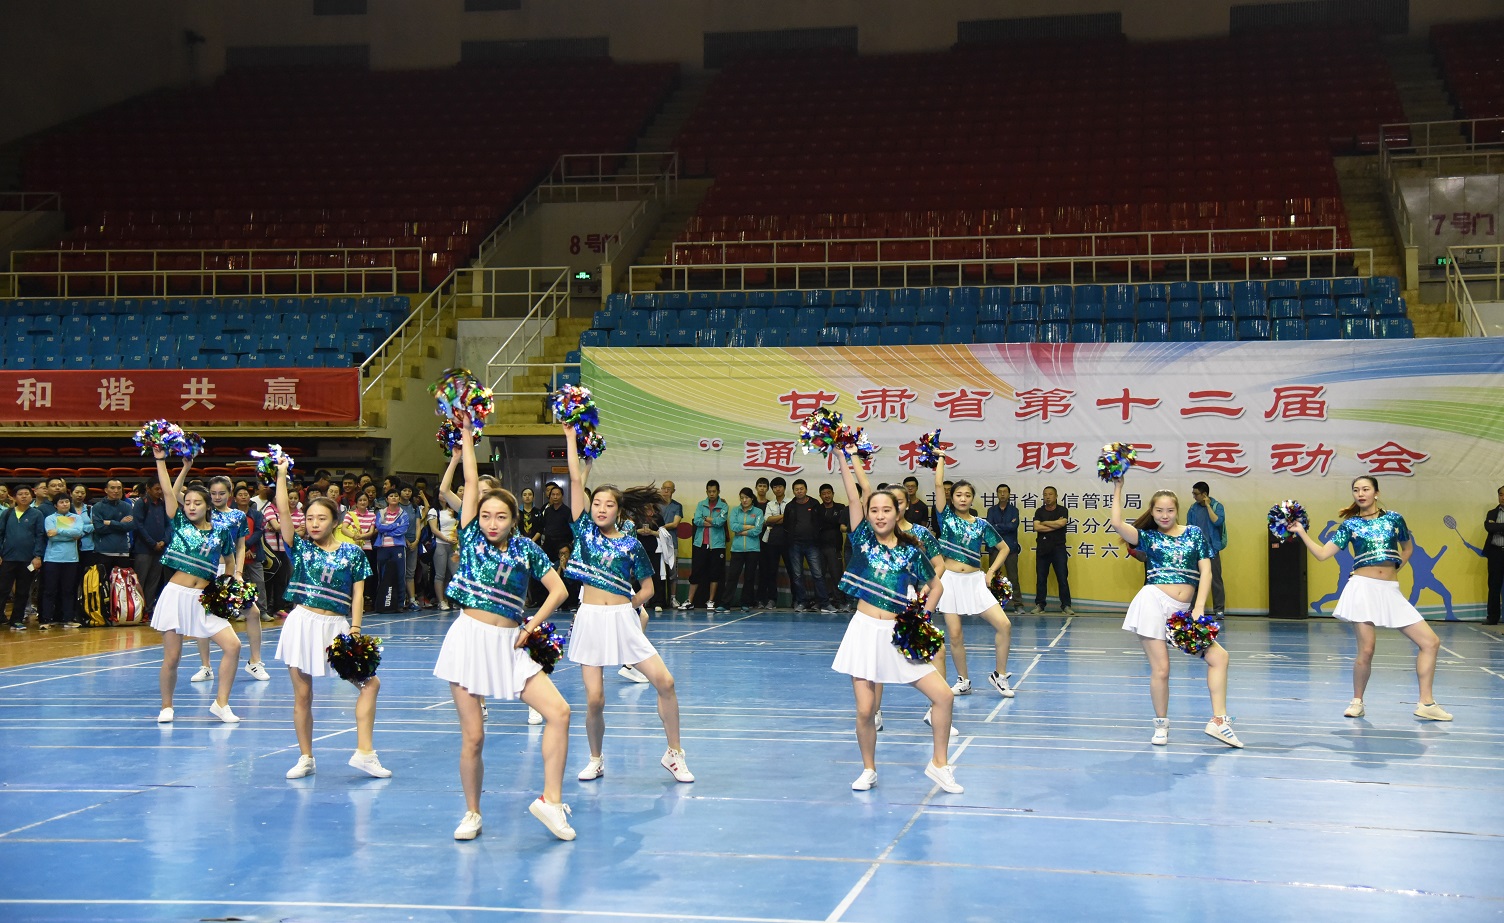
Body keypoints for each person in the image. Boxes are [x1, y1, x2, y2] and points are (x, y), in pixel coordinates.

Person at [435, 422, 574, 841]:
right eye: (486, 515)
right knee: (474, 738)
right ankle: (472, 813)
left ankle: (551, 802)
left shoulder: (526, 549)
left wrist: (531, 624)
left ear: (514, 519)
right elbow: (471, 478)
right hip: (468, 641)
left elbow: (560, 590)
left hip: (511, 644)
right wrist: (466, 436)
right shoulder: (471, 537)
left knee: (560, 712)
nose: (492, 523)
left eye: (501, 517)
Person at [562, 422, 694, 784]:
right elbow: (574, 480)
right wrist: (571, 437)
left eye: (608, 504)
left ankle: (674, 754)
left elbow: (648, 588)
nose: (601, 508)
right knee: (595, 699)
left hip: (623, 619)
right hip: (590, 620)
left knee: (666, 682)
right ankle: (595, 758)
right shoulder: (584, 533)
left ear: (619, 511)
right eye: (596, 503)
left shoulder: (631, 544)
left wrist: (627, 607)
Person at [830, 449, 961, 793]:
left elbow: (936, 586)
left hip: (898, 633)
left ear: (898, 511)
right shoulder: (861, 539)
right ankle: (868, 769)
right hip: (863, 632)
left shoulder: (911, 550)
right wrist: (842, 455)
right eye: (873, 510)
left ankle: (939, 764)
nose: (879, 515)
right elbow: (853, 494)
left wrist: (920, 620)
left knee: (944, 696)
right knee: (866, 710)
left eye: (886, 509)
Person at [1290, 476, 1451, 721]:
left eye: (1365, 489)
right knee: (1366, 650)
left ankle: (1426, 703)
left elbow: (1407, 548)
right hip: (1362, 588)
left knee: (1430, 642)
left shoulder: (1394, 519)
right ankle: (1357, 702)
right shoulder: (1350, 525)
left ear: (1376, 492)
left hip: (1390, 590)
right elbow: (1322, 554)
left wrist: (1395, 568)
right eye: (1356, 490)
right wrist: (1301, 532)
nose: (1360, 494)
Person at [269, 458, 391, 781]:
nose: (314, 523)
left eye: (321, 518)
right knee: (303, 695)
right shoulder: (300, 548)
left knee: (370, 684)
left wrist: (355, 629)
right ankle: (306, 757)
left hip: (337, 626)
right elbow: (283, 512)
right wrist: (281, 474)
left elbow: (358, 595)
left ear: (335, 520)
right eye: (309, 518)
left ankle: (365, 753)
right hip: (302, 623)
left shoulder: (353, 553)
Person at [1107, 477, 1242, 748]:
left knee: (1219, 658)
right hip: (1153, 602)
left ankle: (1219, 721)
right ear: (1152, 511)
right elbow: (1118, 524)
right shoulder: (1148, 537)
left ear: (1177, 510)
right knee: (1162, 669)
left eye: (1169, 510)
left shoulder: (1194, 533)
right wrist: (1118, 487)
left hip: (1183, 611)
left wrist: (1199, 607)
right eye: (1159, 510)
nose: (1164, 515)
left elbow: (1206, 571)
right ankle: (1161, 726)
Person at [149, 448, 240, 724]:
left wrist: (227, 585)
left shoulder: (221, 531)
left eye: (197, 503)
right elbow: (168, 492)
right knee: (173, 658)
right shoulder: (179, 523)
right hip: (176, 595)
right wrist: (162, 460)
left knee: (233, 646)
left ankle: (221, 703)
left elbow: (230, 561)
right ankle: (166, 706)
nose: (190, 507)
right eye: (187, 502)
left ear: (207, 506)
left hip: (205, 598)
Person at [931, 456, 1014, 697]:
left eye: (967, 495)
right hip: (950, 581)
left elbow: (1004, 548)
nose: (963, 498)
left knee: (1004, 625)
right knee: (955, 635)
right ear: (952, 498)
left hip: (975, 581)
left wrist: (991, 572)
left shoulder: (981, 525)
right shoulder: (945, 517)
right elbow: (938, 484)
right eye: (958, 495)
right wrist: (940, 459)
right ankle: (963, 680)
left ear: (972, 498)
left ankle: (999, 676)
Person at [189, 476, 271, 686]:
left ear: (230, 493)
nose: (217, 497)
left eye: (222, 493)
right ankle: (205, 667)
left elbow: (241, 546)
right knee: (203, 616)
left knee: (253, 612)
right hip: (206, 570)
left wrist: (238, 573)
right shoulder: (203, 512)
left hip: (230, 570)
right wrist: (185, 467)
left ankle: (255, 662)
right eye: (213, 493)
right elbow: (176, 493)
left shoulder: (238, 516)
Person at [39, 493, 89, 629]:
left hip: (71, 559)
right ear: (55, 505)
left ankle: (68, 619)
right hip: (52, 558)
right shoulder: (50, 518)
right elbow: (51, 536)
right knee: (50, 590)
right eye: (61, 502)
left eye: (67, 501)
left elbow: (78, 533)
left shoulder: (76, 518)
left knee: (68, 590)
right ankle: (46, 619)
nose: (65, 504)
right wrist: (69, 534)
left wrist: (59, 530)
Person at [785, 478, 835, 612]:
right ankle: (802, 602)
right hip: (795, 545)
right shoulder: (790, 506)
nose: (799, 491)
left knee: (818, 574)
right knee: (797, 575)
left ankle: (825, 603)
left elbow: (820, 522)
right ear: (793, 491)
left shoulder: (814, 504)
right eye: (796, 489)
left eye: (801, 489)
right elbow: (786, 525)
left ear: (806, 490)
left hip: (812, 544)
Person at [0, 485, 45, 630]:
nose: (24, 496)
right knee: (2, 589)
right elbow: (1, 534)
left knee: (22, 591)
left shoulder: (37, 514)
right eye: (20, 494)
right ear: (14, 497)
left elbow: (40, 536)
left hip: (27, 559)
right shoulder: (7, 513)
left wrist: (37, 556)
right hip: (8, 558)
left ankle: (17, 620)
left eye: (27, 493)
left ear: (31, 496)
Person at [686, 480, 729, 610]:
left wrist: (706, 518)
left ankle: (711, 601)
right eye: (709, 491)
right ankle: (689, 601)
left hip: (717, 545)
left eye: (714, 491)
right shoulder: (701, 504)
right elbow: (697, 521)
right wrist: (712, 521)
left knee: (715, 573)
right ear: (706, 492)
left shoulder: (723, 506)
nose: (711, 494)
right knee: (696, 572)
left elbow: (720, 522)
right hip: (700, 544)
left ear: (718, 491)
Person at [1187, 481, 1228, 617]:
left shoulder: (1217, 506)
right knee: (1195, 580)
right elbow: (1189, 527)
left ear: (1204, 494)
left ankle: (1219, 609)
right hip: (1197, 550)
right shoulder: (1193, 509)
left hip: (1212, 549)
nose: (1194, 496)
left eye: (1196, 494)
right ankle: (1193, 609)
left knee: (1215, 580)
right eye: (1193, 493)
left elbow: (1217, 521)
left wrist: (1208, 506)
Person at [234, 485, 274, 625]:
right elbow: (232, 534)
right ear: (235, 498)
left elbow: (258, 532)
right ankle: (242, 611)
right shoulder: (231, 515)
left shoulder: (257, 515)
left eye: (246, 494)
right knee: (241, 584)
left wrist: (246, 546)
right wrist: (242, 550)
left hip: (255, 553)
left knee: (259, 583)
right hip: (237, 556)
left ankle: (263, 611)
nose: (243, 497)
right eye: (240, 494)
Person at [1030, 486, 1073, 615]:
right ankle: (1040, 605)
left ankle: (1066, 605)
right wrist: (1055, 525)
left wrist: (1044, 523)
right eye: (1045, 494)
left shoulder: (1062, 510)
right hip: (1042, 549)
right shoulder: (1039, 511)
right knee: (1041, 578)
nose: (1047, 497)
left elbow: (1062, 524)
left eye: (1050, 494)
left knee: (1062, 578)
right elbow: (1037, 527)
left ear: (1056, 496)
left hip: (1058, 549)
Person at [91, 478, 136, 591]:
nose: (116, 491)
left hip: (122, 552)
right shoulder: (97, 507)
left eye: (119, 488)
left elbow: (130, 526)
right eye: (112, 488)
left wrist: (110, 522)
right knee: (103, 588)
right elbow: (99, 528)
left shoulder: (126, 506)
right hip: (103, 552)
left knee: (123, 589)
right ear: (106, 490)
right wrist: (120, 524)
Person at [131, 481, 169, 615]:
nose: (159, 492)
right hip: (143, 549)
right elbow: (138, 526)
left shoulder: (163, 504)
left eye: (161, 489)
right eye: (156, 489)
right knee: (140, 580)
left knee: (154, 581)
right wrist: (152, 543)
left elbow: (169, 525)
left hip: (160, 549)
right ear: (148, 489)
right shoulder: (141, 503)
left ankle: (147, 610)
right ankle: (137, 611)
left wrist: (164, 541)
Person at [725, 487, 764, 611]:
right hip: (737, 549)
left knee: (749, 577)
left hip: (753, 549)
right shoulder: (735, 511)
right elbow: (733, 527)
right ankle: (725, 603)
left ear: (752, 498)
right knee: (732, 576)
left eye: (746, 497)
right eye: (742, 498)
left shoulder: (758, 512)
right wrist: (749, 527)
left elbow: (757, 530)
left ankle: (745, 602)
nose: (744, 500)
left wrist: (742, 531)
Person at [756, 477, 792, 608]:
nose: (778, 489)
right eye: (775, 487)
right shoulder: (770, 504)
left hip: (789, 541)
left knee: (793, 571)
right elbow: (767, 520)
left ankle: (797, 600)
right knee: (771, 571)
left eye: (780, 486)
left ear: (784, 488)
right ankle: (772, 599)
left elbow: (791, 520)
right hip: (772, 540)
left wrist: (775, 519)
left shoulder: (791, 502)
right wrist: (784, 516)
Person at [372, 487, 410, 613]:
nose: (394, 498)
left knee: (400, 574)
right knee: (382, 574)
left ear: (399, 498)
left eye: (396, 496)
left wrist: (387, 529)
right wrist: (395, 525)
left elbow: (402, 530)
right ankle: (381, 603)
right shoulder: (381, 512)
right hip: (382, 547)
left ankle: (399, 603)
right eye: (391, 496)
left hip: (398, 547)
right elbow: (379, 527)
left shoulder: (404, 514)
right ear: (387, 499)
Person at [985, 484, 1021, 604]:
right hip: (995, 547)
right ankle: (992, 603)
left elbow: (1013, 526)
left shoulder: (1014, 510)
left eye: (1005, 492)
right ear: (997, 494)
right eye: (1000, 492)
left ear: (1009, 494)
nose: (1002, 494)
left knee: (1013, 577)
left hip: (1010, 548)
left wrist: (997, 526)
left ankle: (1018, 604)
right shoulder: (991, 510)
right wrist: (1005, 526)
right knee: (993, 577)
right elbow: (990, 528)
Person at [816, 483, 848, 606]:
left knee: (837, 576)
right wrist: (833, 522)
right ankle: (822, 601)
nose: (827, 495)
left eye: (829, 493)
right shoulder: (817, 508)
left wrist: (826, 523)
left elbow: (840, 523)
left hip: (835, 548)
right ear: (820, 496)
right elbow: (817, 525)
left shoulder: (840, 507)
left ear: (833, 494)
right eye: (824, 494)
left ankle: (839, 601)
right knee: (819, 576)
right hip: (819, 547)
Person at [429, 492, 459, 612]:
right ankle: (441, 601)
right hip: (440, 544)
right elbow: (434, 529)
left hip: (453, 545)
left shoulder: (453, 510)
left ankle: (453, 599)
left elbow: (458, 525)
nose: (444, 496)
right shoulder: (433, 511)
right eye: (441, 494)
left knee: (455, 573)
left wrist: (455, 538)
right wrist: (446, 539)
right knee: (440, 574)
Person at [655, 481, 683, 611]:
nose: (665, 491)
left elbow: (675, 523)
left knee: (672, 572)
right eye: (664, 488)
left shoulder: (677, 506)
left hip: (672, 543)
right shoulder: (655, 505)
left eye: (668, 489)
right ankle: (654, 599)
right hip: (656, 543)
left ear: (673, 491)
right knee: (657, 572)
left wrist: (660, 527)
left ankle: (673, 598)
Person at [1484, 485, 1504, 625]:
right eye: (1501, 495)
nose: (1503, 497)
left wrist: (1498, 527)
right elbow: (1489, 527)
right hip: (1495, 553)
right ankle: (1492, 617)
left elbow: (1494, 527)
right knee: (1494, 586)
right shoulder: (1491, 513)